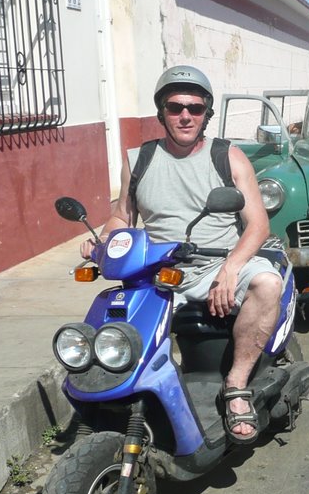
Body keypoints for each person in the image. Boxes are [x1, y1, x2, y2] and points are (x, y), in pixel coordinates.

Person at [81, 65, 282, 444]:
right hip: (158, 274)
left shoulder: (229, 156)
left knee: (267, 283)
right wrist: (103, 241)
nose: (185, 115)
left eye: (195, 107)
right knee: (114, 322)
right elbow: (122, 215)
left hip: (217, 265)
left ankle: (236, 387)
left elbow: (258, 225)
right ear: (162, 113)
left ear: (206, 113)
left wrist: (230, 267)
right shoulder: (138, 159)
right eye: (175, 107)